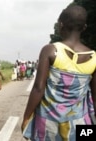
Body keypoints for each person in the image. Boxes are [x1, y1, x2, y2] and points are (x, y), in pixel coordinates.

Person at [21, 5, 96, 141]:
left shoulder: (50, 50)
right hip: (80, 123)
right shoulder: (94, 57)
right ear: (84, 27)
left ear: (61, 25)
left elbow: (38, 88)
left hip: (49, 123)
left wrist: (26, 117)